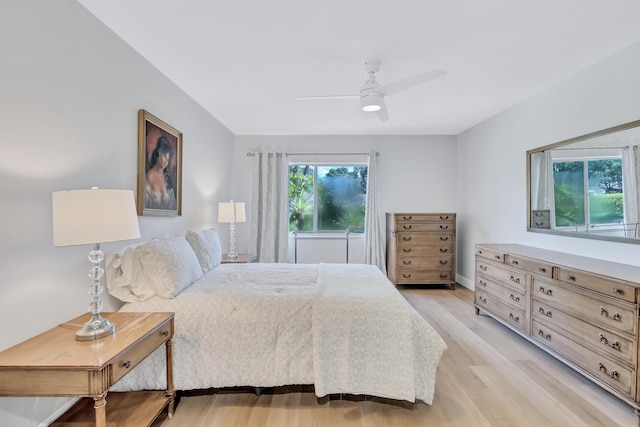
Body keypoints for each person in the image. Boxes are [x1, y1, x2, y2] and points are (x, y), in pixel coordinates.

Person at [145, 136, 177, 210]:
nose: (166, 161)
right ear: (158, 154)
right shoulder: (150, 175)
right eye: (164, 156)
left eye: (168, 159)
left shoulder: (167, 178)